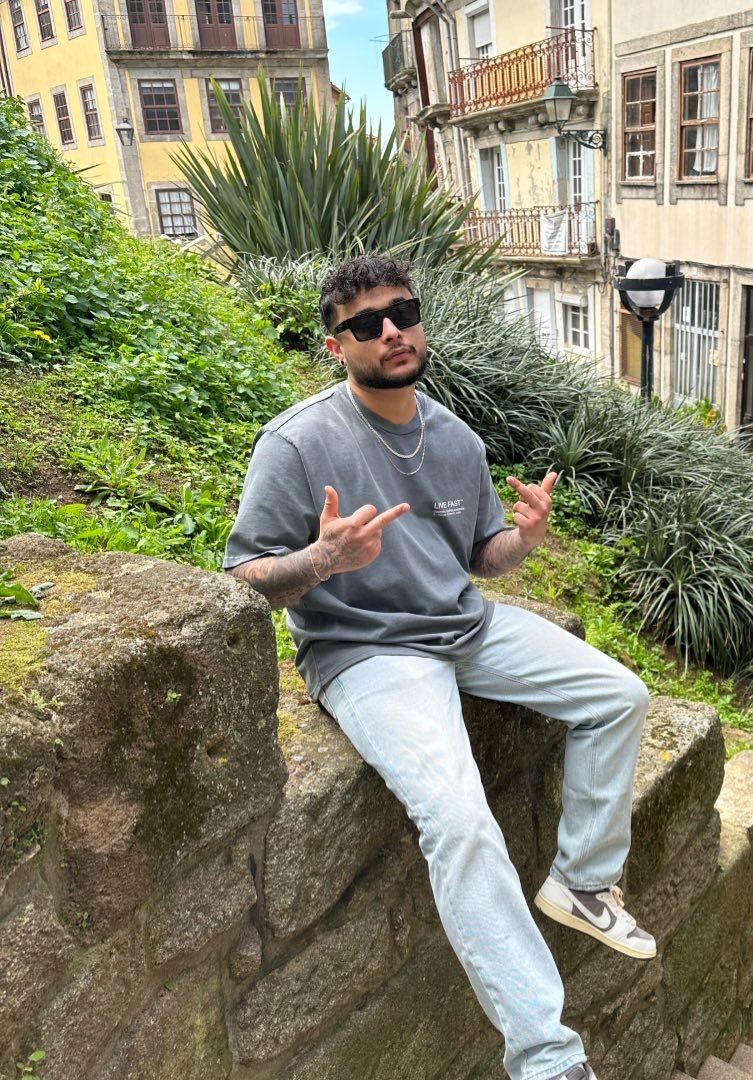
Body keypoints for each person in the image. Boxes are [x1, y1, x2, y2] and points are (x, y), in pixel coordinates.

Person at [224, 255, 654, 1080]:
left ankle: (583, 880)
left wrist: (523, 540)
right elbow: (242, 579)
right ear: (335, 345)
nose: (391, 330)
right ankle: (547, 1057)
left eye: (403, 312)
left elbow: (479, 556)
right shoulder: (298, 441)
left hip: (464, 626)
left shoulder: (455, 436)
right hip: (365, 650)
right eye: (365, 323)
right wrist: (322, 558)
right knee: (459, 820)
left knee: (619, 695)